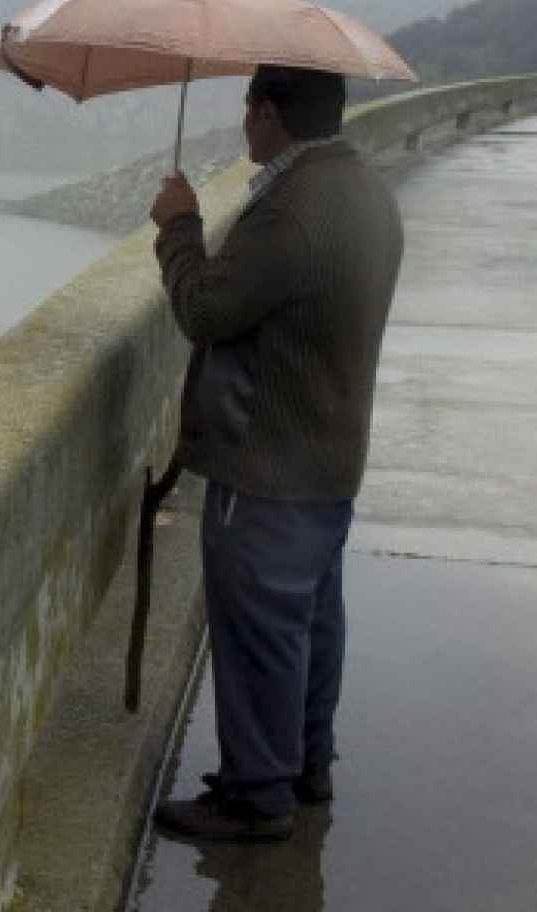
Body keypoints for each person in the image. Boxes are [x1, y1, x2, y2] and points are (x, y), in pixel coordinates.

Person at [145, 64, 405, 842]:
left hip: (268, 463)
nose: (244, 122)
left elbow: (207, 308)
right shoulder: (366, 190)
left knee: (259, 632)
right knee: (310, 623)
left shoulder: (291, 211)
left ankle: (255, 798)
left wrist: (178, 226)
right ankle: (304, 766)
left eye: (248, 109)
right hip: (330, 455)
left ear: (268, 112)